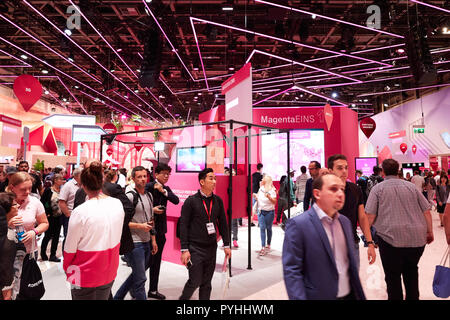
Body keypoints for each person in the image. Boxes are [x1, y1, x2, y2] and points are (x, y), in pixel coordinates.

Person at [283, 173, 366, 300]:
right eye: (333, 189)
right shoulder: (298, 225)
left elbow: (349, 266)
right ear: (317, 193)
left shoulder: (345, 222)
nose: (340, 193)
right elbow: (292, 270)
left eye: (342, 189)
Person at [366, 159, 433, 300]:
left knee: (392, 277)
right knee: (411, 274)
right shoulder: (411, 187)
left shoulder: (378, 189)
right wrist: (429, 231)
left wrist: (369, 240)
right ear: (398, 170)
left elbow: (370, 216)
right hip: (416, 239)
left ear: (383, 171)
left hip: (389, 239)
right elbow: (426, 210)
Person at [63, 161, 124, 300]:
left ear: (82, 185)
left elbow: (70, 248)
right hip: (109, 269)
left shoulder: (80, 211)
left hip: (81, 273)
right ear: (102, 180)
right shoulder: (117, 203)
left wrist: (68, 270)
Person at [179, 168, 231, 300]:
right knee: (195, 280)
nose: (214, 181)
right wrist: (184, 249)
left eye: (215, 178)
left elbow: (223, 224)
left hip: (211, 247)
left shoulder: (217, 201)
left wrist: (226, 244)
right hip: (195, 248)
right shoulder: (191, 201)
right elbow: (183, 226)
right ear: (202, 182)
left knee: (207, 283)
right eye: (211, 178)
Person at [114, 166, 158, 300]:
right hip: (134, 242)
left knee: (137, 276)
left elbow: (151, 219)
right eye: (139, 177)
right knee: (140, 280)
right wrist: (140, 226)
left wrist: (153, 239)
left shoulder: (149, 195)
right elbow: (121, 221)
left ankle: (117, 297)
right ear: (133, 179)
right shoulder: (129, 196)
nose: (143, 179)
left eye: (145, 176)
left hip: (146, 241)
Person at [328, 154, 376, 271]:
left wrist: (370, 242)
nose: (344, 171)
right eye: (339, 168)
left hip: (352, 243)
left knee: (352, 283)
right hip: (330, 245)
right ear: (331, 171)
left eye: (346, 167)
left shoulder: (355, 189)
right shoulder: (325, 192)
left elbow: (362, 217)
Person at [6, 172, 49, 299]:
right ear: (12, 187)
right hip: (7, 254)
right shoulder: (4, 201)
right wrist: (7, 223)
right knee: (8, 290)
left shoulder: (34, 202)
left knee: (28, 288)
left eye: (30, 188)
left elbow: (45, 223)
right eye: (23, 189)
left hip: (29, 252)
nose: (27, 192)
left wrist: (34, 232)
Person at [145, 163, 180, 300]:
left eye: (168, 174)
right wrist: (152, 210)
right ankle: (133, 286)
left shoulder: (166, 188)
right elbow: (139, 205)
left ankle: (153, 290)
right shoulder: (147, 186)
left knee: (156, 262)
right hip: (146, 229)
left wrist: (163, 191)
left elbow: (176, 200)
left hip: (160, 230)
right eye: (164, 173)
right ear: (156, 174)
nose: (166, 176)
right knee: (145, 262)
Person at [102, 169, 135, 258]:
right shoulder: (114, 188)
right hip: (111, 232)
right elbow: (129, 208)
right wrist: (121, 224)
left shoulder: (88, 188)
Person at [39, 174, 65, 262]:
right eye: (61, 179)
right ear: (55, 180)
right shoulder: (48, 190)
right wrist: (48, 211)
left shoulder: (62, 190)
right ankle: (43, 253)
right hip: (50, 217)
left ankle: (53, 255)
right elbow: (44, 202)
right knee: (48, 235)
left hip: (59, 216)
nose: (62, 181)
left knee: (56, 236)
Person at [58, 167, 82, 251]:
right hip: (70, 216)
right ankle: (66, 258)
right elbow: (61, 201)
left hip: (81, 217)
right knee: (69, 238)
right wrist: (68, 215)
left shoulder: (83, 186)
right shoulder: (68, 185)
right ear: (78, 176)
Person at [0, 192, 18, 300]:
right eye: (14, 204)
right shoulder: (6, 235)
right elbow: (5, 263)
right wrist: (7, 287)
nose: (18, 206)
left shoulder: (8, 228)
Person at [255, 175, 277, 256]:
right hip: (261, 211)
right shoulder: (261, 189)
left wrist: (269, 197)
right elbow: (258, 197)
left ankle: (268, 243)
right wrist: (256, 197)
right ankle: (263, 247)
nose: (261, 180)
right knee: (262, 228)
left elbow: (274, 202)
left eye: (263, 179)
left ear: (266, 181)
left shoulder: (272, 190)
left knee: (268, 228)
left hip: (270, 212)